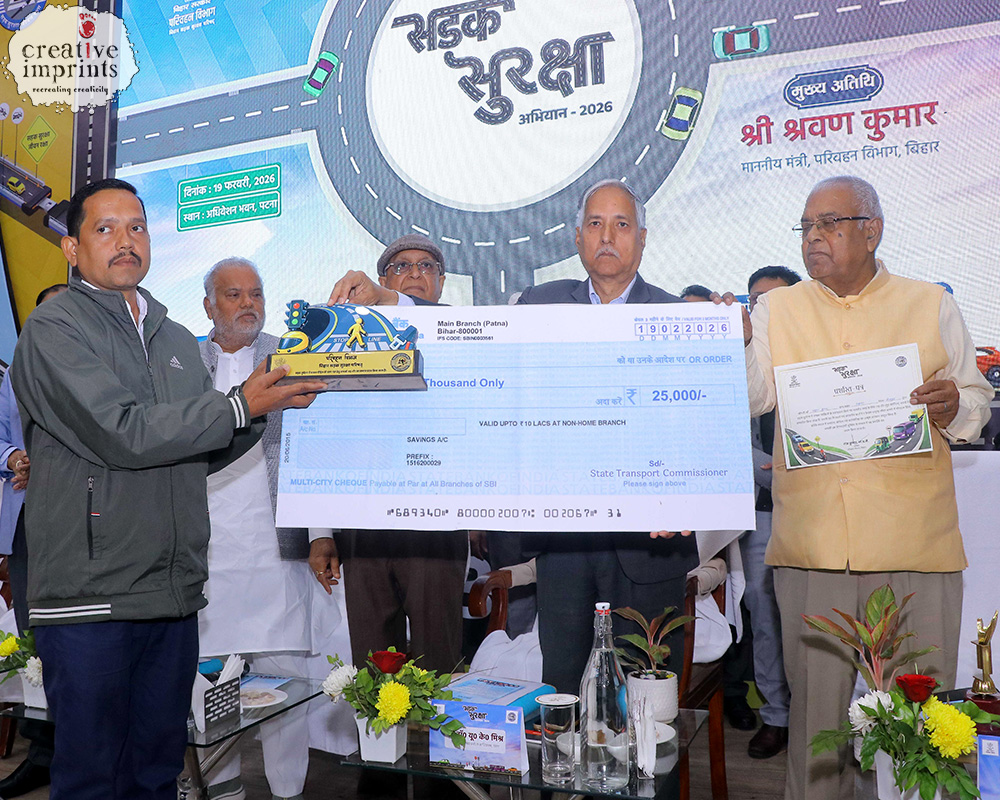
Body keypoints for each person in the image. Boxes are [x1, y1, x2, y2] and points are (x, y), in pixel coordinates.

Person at [10, 178, 323, 800]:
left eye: (137, 227)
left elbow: (196, 451)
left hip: (171, 594)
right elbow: (122, 432)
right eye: (105, 229)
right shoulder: (54, 329)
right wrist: (237, 405)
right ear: (72, 248)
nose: (125, 241)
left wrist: (263, 408)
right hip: (91, 598)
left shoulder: (175, 337)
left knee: (156, 773)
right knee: (93, 778)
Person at [735, 176, 992, 799]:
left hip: (914, 547)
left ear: (871, 231)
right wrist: (734, 346)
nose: (813, 238)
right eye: (805, 227)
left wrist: (954, 404)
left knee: (923, 726)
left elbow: (975, 402)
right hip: (813, 548)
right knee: (817, 731)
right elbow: (754, 397)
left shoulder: (929, 303)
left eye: (829, 223)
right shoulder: (778, 310)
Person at [515, 178, 699, 693]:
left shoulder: (681, 318)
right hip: (564, 542)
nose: (607, 236)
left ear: (642, 238)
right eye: (595, 223)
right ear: (577, 238)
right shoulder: (537, 306)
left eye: (621, 224)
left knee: (646, 694)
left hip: (652, 543)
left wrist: (688, 493)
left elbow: (697, 425)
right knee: (563, 689)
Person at [313, 234, 467, 673]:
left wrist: (391, 302)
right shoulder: (345, 341)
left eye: (426, 266)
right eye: (401, 266)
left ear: (442, 282)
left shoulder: (460, 333)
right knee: (373, 668)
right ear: (382, 280)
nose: (415, 273)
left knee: (438, 664)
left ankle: (439, 725)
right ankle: (376, 726)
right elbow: (325, 435)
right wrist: (320, 531)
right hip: (363, 523)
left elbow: (426, 321)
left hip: (435, 524)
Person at [199, 258, 324, 800]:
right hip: (206, 553)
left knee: (285, 680)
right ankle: (220, 785)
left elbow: (317, 447)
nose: (248, 304)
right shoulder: (183, 363)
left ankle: (288, 790)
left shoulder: (290, 356)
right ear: (209, 306)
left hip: (275, 548)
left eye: (256, 293)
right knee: (212, 680)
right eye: (234, 295)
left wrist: (321, 532)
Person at [0, 283, 67, 799]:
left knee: (87, 637)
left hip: (90, 519)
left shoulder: (108, 367)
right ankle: (44, 754)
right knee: (34, 637)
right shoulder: (14, 375)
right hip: (27, 519)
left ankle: (94, 750)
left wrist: (49, 465)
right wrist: (16, 459)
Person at [739, 266, 801, 760]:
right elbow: (731, 445)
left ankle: (829, 719)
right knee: (766, 620)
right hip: (762, 513)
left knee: (817, 619)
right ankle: (776, 717)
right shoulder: (739, 358)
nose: (763, 310)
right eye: (755, 301)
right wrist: (774, 471)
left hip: (817, 510)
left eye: (774, 301)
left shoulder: (814, 354)